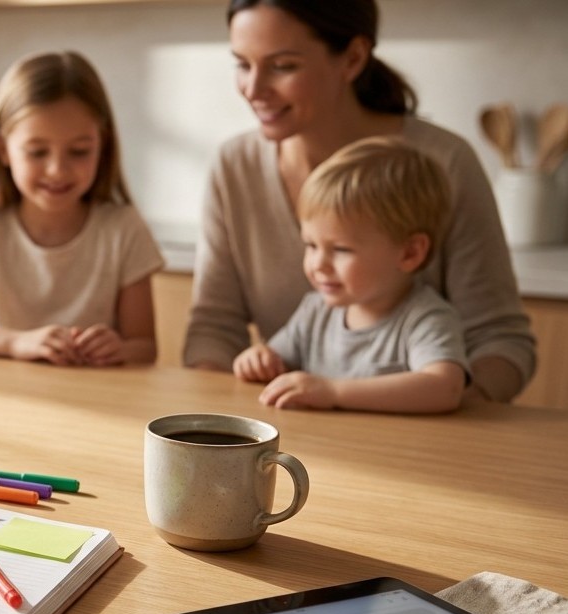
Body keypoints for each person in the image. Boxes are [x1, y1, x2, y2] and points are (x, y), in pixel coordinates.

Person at [186, 0, 535, 401]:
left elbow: (500, 340)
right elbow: (213, 330)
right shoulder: (234, 165)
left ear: (353, 58)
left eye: (282, 66)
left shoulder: (444, 162)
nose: (252, 90)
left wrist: (433, 407)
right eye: (242, 65)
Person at [0, 51, 164, 366]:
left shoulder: (124, 229)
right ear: (2, 150)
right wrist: (14, 342)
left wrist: (118, 349)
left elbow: (144, 346)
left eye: (79, 151)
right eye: (37, 152)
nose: (57, 170)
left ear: (102, 147)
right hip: (1, 392)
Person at [233, 136, 468, 412]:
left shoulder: (426, 318)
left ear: (410, 253)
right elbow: (276, 363)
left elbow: (446, 388)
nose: (318, 264)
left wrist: (333, 392)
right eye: (311, 245)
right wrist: (258, 359)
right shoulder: (314, 312)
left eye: (341, 249)